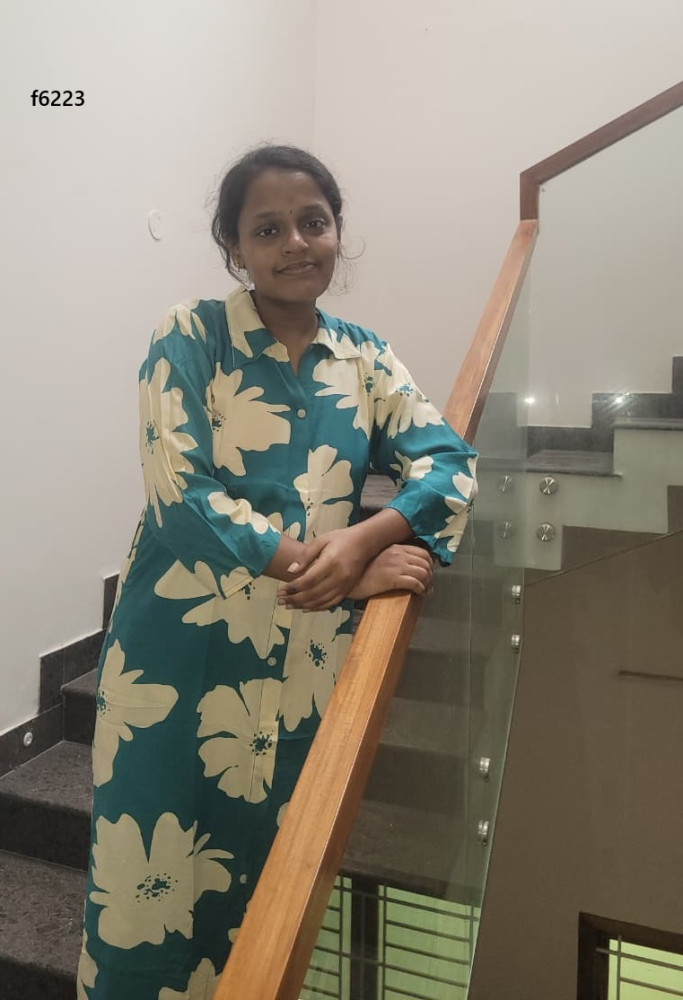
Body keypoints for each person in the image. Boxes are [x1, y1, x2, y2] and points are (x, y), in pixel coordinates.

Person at [77, 144, 477, 999]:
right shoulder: (189, 336)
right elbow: (179, 496)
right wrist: (326, 566)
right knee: (149, 888)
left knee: (272, 883)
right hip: (173, 666)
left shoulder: (365, 358)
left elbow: (450, 464)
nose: (295, 242)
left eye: (312, 222)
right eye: (268, 229)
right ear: (235, 247)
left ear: (336, 232)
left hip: (302, 666)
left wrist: (363, 543)